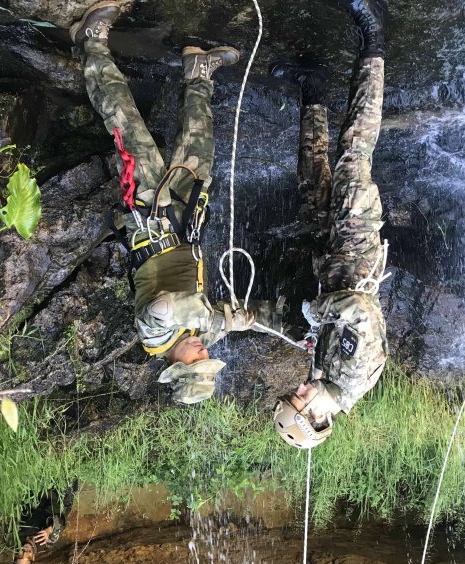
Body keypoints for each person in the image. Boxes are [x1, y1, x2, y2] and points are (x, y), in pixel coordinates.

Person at [71, 1, 291, 404]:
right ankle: (198, 73)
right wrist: (283, 323)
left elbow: (163, 307)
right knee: (199, 148)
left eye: (197, 360)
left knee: (127, 125)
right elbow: (246, 318)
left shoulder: (154, 337)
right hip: (186, 224)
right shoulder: (203, 334)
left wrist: (214, 316)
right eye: (207, 359)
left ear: (177, 365)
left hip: (149, 216)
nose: (204, 353)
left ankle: (90, 43)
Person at [271, 0, 389, 448]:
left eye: (293, 393)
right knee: (353, 151)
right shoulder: (353, 377)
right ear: (319, 417)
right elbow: (360, 310)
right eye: (299, 399)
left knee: (310, 181)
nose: (299, 388)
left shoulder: (324, 377)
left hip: (331, 254)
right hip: (356, 247)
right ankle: (374, 39)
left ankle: (313, 87)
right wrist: (317, 313)